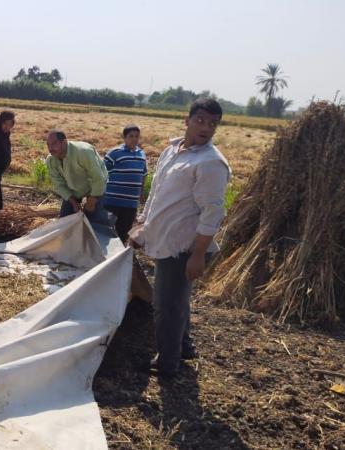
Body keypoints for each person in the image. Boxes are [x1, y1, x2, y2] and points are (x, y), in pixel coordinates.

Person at [130, 98, 231, 378]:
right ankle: (184, 347)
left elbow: (213, 213)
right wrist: (142, 226)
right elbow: (157, 193)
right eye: (200, 121)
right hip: (165, 237)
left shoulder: (211, 163)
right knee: (178, 300)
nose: (206, 128)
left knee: (166, 307)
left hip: (184, 247)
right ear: (186, 121)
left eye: (213, 124)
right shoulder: (172, 150)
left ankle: (167, 364)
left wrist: (198, 255)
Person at [45, 130, 109, 225]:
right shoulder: (51, 160)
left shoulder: (83, 152)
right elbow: (59, 185)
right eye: (48, 145)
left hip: (96, 188)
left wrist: (91, 203)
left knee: (97, 224)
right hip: (74, 190)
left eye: (54, 144)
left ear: (64, 142)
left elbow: (98, 178)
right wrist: (74, 203)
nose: (50, 149)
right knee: (65, 222)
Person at [103, 124, 149, 243]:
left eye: (137, 136)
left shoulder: (142, 155)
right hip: (112, 201)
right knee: (107, 231)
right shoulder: (114, 153)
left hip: (131, 203)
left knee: (123, 232)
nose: (134, 139)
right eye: (131, 136)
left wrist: (141, 192)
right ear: (124, 137)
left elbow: (143, 175)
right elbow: (101, 172)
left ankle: (118, 257)